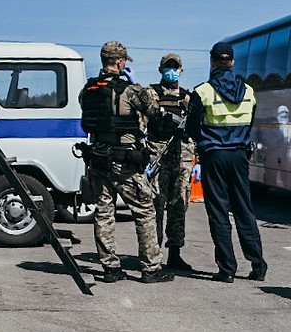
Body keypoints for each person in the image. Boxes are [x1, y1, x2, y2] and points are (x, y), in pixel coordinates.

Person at [78, 41, 172, 283]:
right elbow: (152, 109)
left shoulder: (87, 91)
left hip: (98, 159)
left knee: (104, 213)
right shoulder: (128, 91)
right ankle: (151, 268)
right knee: (144, 211)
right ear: (120, 62)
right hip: (125, 160)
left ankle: (110, 268)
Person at [187, 41, 267, 283]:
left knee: (219, 212)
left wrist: (207, 142)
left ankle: (227, 268)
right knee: (244, 209)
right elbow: (250, 123)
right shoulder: (249, 91)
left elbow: (192, 127)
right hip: (240, 156)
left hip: (214, 156)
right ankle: (258, 265)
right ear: (232, 62)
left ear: (212, 62)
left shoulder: (202, 92)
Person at [146, 53, 196, 271]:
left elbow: (194, 129)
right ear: (160, 69)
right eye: (168, 67)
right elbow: (141, 125)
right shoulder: (150, 94)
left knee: (178, 206)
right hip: (157, 156)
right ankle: (153, 253)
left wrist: (197, 157)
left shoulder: (187, 98)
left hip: (182, 158)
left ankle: (174, 253)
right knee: (156, 205)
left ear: (182, 71)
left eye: (175, 67)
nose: (171, 71)